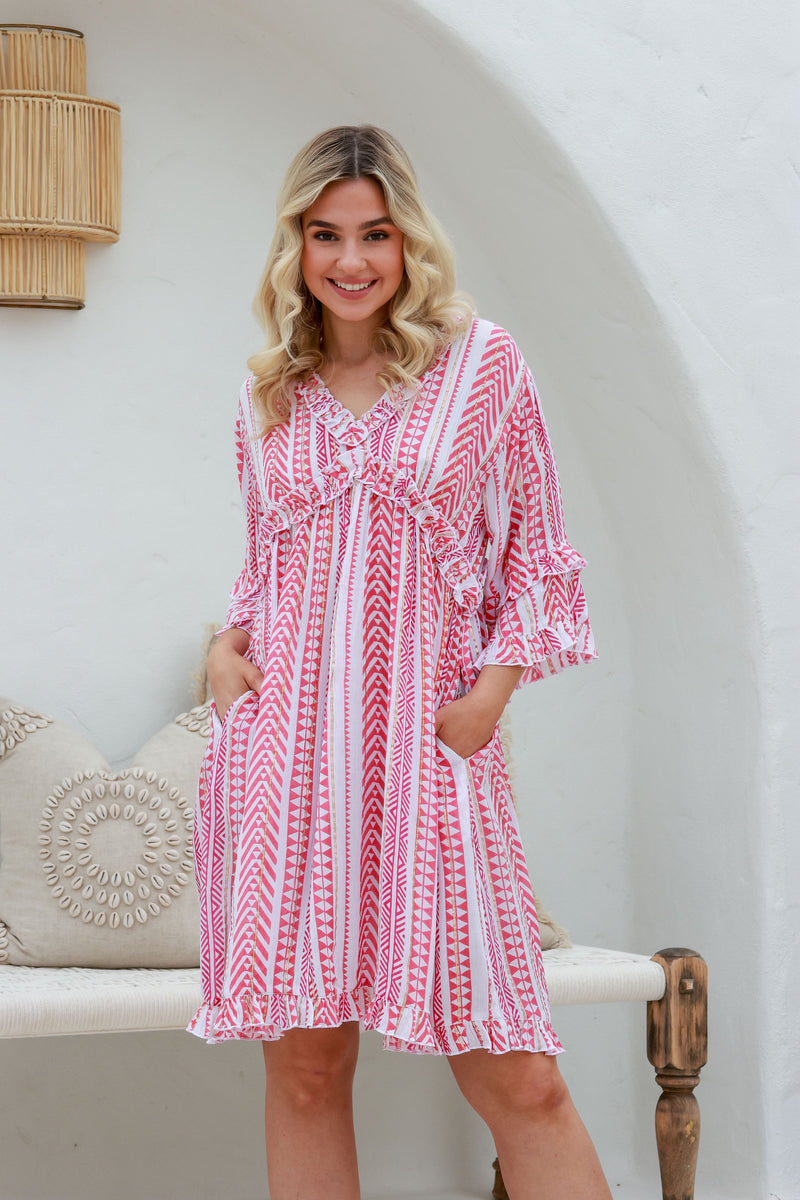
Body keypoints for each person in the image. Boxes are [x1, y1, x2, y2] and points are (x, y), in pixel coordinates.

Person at [188, 125, 610, 1200]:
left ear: (408, 239)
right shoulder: (267, 395)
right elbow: (265, 574)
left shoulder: (480, 364)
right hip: (289, 771)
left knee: (523, 1084)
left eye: (374, 233)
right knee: (305, 1074)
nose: (351, 259)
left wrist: (487, 699)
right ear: (295, 246)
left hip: (428, 759)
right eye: (325, 234)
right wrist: (222, 657)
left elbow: (539, 554)